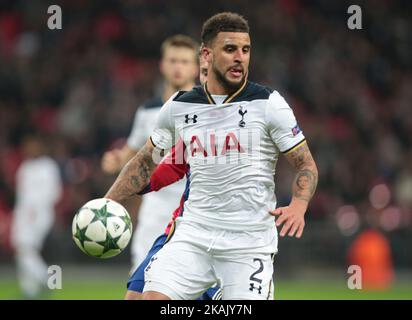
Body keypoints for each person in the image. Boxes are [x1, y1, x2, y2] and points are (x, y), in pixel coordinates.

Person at [104, 12, 318, 300]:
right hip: (193, 234)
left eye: (245, 50)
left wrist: (300, 203)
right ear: (206, 55)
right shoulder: (178, 107)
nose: (240, 57)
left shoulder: (269, 104)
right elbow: (145, 162)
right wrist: (107, 203)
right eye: (230, 49)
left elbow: (305, 164)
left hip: (248, 242)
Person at [101, 35, 199, 271]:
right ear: (162, 65)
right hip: (155, 204)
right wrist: (116, 160)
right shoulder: (147, 111)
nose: (178, 67)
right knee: (142, 273)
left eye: (185, 61)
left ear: (196, 68)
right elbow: (134, 153)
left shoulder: (207, 109)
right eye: (173, 60)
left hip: (195, 205)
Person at [11, 134, 62, 299]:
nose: (30, 149)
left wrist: (36, 210)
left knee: (25, 249)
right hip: (22, 213)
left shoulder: (48, 166)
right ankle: (29, 289)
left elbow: (54, 192)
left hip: (39, 214)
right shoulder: (25, 167)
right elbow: (21, 194)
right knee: (23, 251)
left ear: (40, 146)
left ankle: (48, 280)